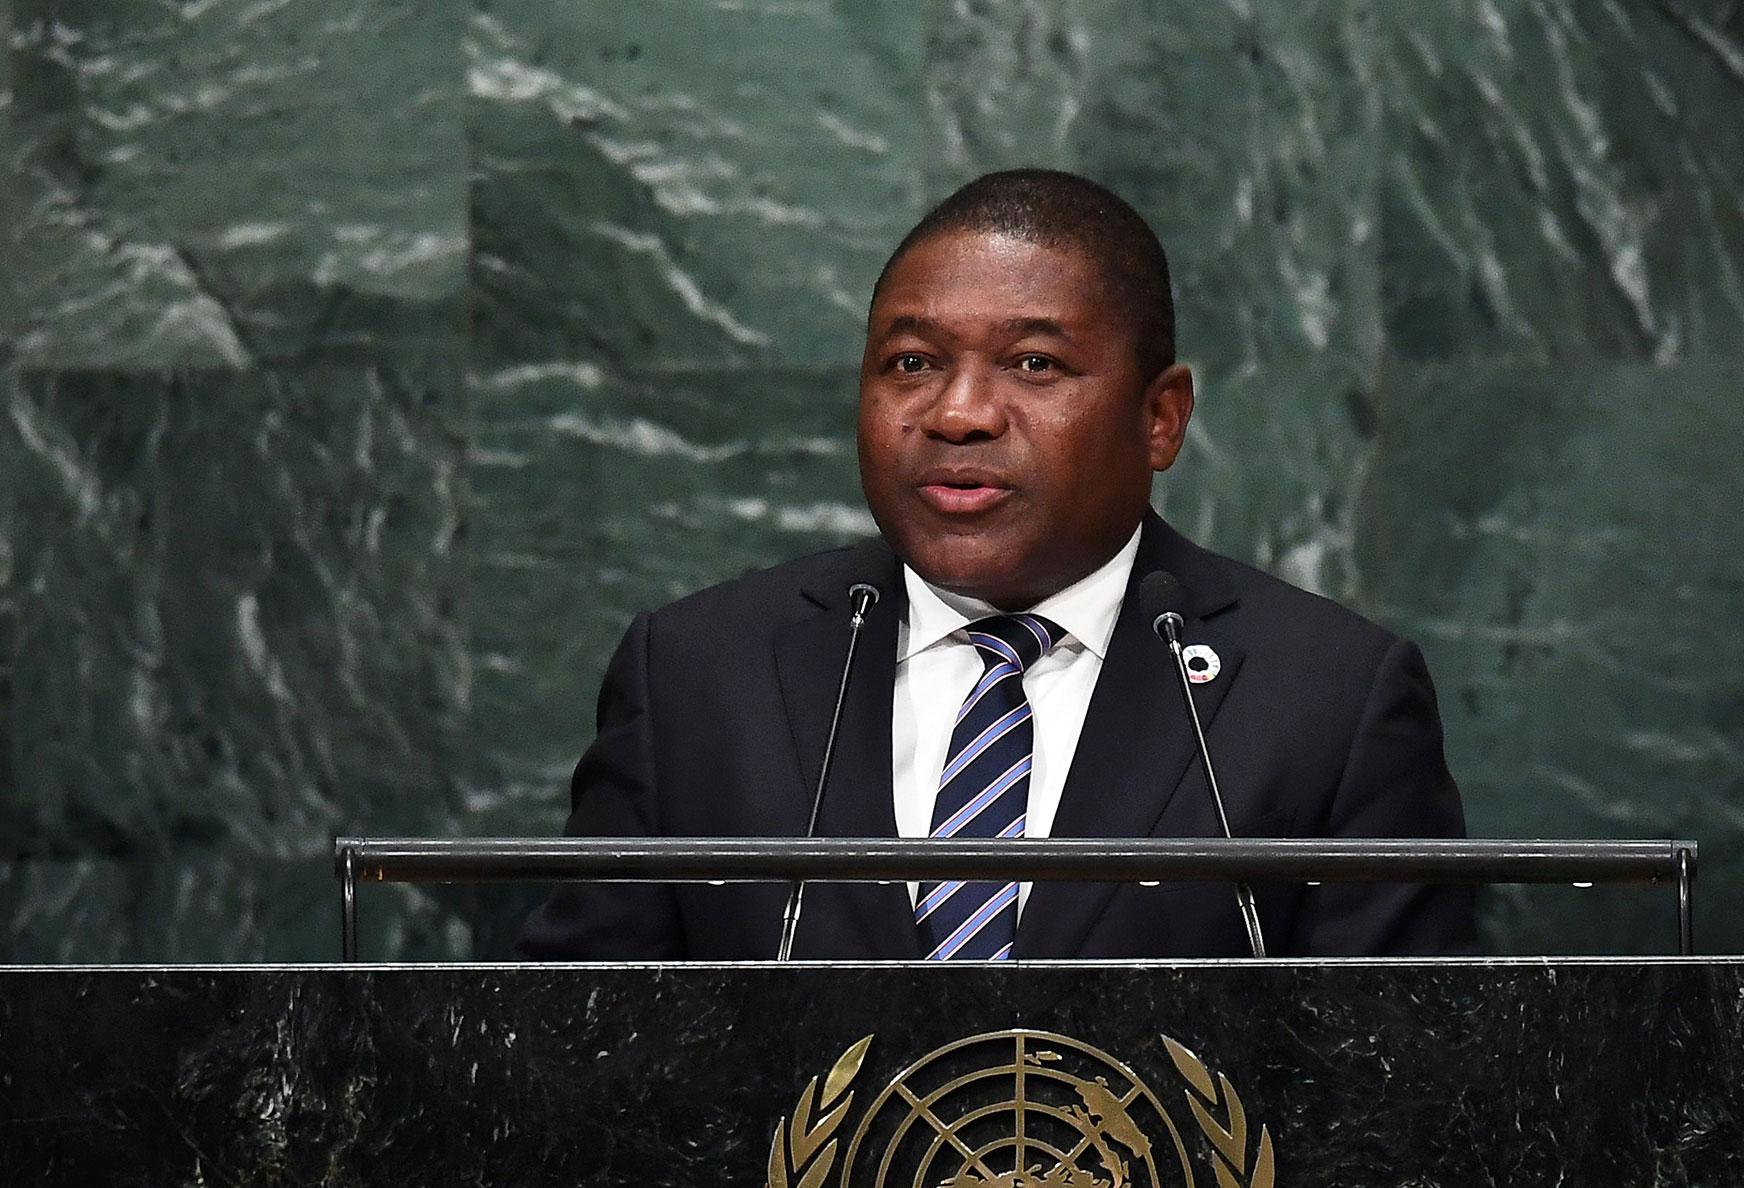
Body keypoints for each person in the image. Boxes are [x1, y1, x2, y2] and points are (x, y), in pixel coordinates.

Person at [516, 169, 1476, 961]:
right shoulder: (695, 675)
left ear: (1161, 417)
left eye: (1034, 365)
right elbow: (570, 1064)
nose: (958, 413)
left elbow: (1399, 1114)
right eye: (911, 364)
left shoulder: (1328, 699)